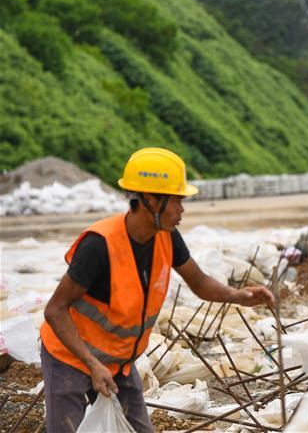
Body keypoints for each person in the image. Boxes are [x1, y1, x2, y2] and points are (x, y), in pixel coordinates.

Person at [40, 147, 274, 433]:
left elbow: (199, 283)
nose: (182, 209)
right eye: (177, 200)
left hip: (118, 364)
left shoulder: (166, 238)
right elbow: (55, 309)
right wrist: (91, 363)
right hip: (70, 358)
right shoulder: (99, 246)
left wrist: (240, 297)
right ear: (150, 200)